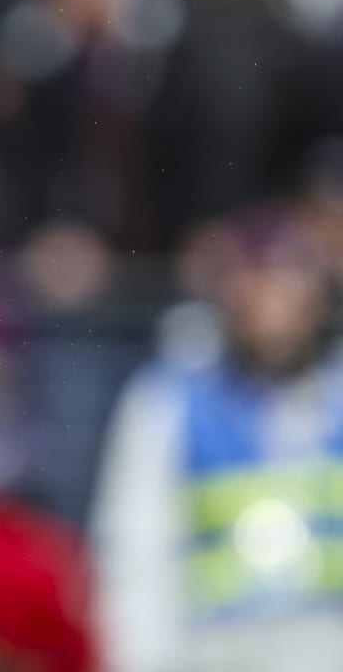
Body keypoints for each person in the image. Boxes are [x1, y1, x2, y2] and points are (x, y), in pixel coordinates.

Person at [89, 205, 343, 672]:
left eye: (290, 289)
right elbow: (135, 552)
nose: (275, 312)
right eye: (259, 288)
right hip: (216, 650)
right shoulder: (168, 402)